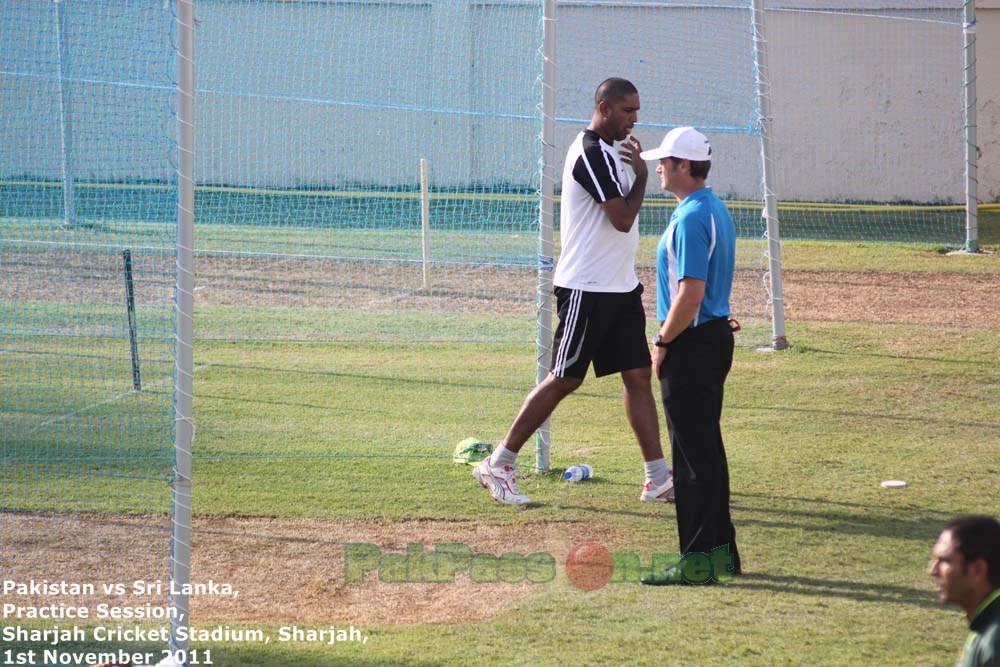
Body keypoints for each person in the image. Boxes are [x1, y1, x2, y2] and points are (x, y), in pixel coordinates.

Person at [472, 77, 673, 505]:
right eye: (627, 110)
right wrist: (640, 177)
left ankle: (658, 478)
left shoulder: (614, 151)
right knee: (564, 378)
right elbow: (621, 218)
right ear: (603, 107)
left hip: (620, 287)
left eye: (637, 110)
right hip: (587, 287)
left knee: (638, 377)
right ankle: (499, 463)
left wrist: (634, 171)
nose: (634, 119)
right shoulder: (588, 152)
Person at [637, 127, 741, 584]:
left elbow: (690, 295)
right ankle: (721, 556)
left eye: (664, 161)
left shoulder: (692, 217)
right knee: (706, 452)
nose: (657, 167)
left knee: (692, 458)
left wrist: (662, 343)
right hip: (711, 339)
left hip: (692, 343)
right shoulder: (710, 208)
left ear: (683, 165)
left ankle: (699, 561)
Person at [929, 515, 1000, 666]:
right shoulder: (985, 622)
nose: (933, 571)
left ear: (977, 569)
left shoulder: (996, 639)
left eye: (945, 561)